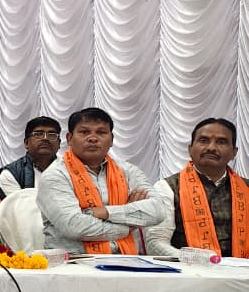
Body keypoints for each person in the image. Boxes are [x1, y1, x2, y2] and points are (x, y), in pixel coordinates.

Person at [36, 107, 166, 254]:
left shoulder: (128, 171)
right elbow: (74, 226)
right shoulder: (55, 175)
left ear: (111, 140)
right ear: (69, 139)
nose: (93, 138)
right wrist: (128, 225)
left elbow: (158, 211)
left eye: (101, 132)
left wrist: (105, 212)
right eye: (84, 132)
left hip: (127, 259)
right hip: (75, 261)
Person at [146, 118, 246, 258]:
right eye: (203, 140)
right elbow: (155, 244)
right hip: (188, 268)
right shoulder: (167, 188)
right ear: (190, 149)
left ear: (234, 152)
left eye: (221, 142)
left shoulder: (246, 189)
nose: (211, 147)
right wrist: (194, 259)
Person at [0, 116, 61, 199]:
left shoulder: (70, 170)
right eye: (38, 134)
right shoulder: (10, 174)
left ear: (59, 143)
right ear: (26, 143)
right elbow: (20, 206)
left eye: (52, 135)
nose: (45, 138)